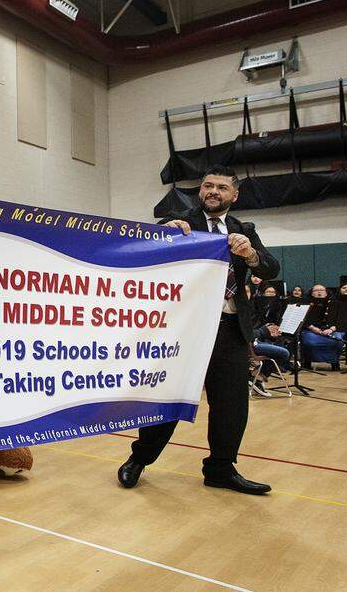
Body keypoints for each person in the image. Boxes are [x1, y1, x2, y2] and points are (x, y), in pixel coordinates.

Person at [117, 166, 279, 495]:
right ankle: (140, 459)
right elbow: (145, 253)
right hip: (184, 329)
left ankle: (221, 468)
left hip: (230, 329)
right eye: (207, 186)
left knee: (232, 405)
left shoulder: (243, 228)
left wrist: (249, 253)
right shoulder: (180, 222)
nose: (212, 191)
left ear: (235, 195)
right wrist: (163, 234)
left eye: (221, 187)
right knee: (169, 398)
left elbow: (271, 268)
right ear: (200, 191)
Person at [250, 286, 289, 397]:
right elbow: (248, 333)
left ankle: (256, 376)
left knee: (279, 344)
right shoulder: (245, 310)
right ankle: (256, 377)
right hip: (250, 345)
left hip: (256, 340)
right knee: (284, 353)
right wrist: (264, 331)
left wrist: (269, 332)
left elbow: (255, 330)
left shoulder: (254, 308)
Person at [299, 284, 345, 371]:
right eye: (316, 290)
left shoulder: (334, 303)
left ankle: (334, 362)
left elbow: (340, 319)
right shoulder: (306, 303)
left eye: (322, 290)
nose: (319, 292)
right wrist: (313, 329)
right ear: (311, 293)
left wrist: (331, 329)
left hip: (331, 329)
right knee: (309, 342)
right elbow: (304, 320)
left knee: (338, 341)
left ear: (326, 293)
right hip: (311, 329)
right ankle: (307, 362)